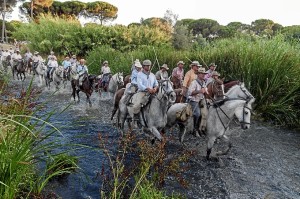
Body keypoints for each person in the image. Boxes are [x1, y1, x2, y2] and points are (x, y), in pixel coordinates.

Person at [131, 59, 158, 123]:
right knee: (137, 104)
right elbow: (140, 85)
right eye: (147, 66)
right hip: (142, 92)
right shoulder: (139, 74)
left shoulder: (152, 75)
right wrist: (148, 89)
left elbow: (156, 83)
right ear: (143, 66)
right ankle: (135, 116)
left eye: (149, 65)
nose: (148, 67)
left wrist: (155, 88)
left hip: (152, 92)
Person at [187, 67, 208, 137]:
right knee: (197, 114)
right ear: (198, 74)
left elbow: (205, 91)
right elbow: (190, 93)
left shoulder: (203, 82)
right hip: (194, 99)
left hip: (201, 99)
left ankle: (202, 128)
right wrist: (199, 91)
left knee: (205, 113)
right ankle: (194, 129)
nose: (203, 75)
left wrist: (205, 92)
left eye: (204, 74)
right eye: (201, 74)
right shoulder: (194, 82)